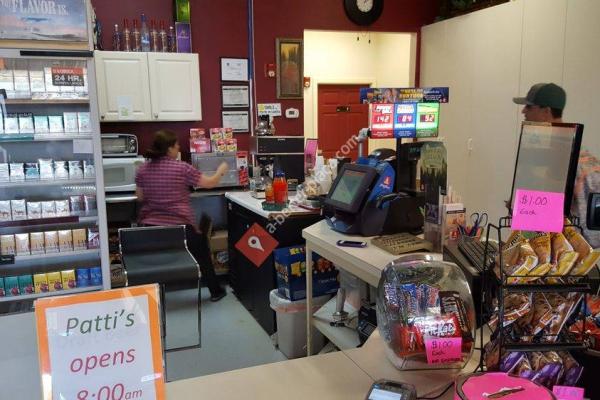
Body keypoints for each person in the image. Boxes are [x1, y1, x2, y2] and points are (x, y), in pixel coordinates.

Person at [135, 130, 229, 301]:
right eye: (176, 145)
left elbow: (140, 197)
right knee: (202, 249)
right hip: (181, 231)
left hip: (150, 232)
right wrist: (221, 171)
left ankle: (149, 296)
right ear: (169, 148)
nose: (178, 148)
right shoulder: (182, 168)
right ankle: (216, 291)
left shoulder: (142, 170)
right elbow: (209, 183)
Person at [513, 83, 600, 247]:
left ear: (546, 112)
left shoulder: (573, 161)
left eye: (529, 106)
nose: (523, 111)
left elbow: (590, 235)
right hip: (544, 250)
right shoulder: (549, 152)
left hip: (569, 255)